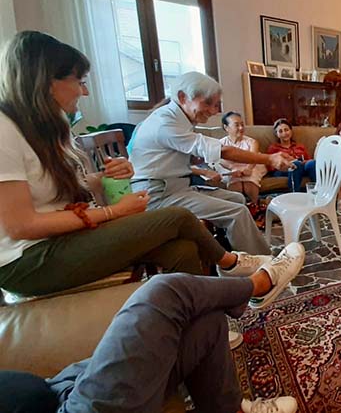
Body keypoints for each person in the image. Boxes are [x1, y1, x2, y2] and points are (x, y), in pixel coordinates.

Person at [0, 31, 278, 298]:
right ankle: (239, 267)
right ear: (47, 81)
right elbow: (22, 226)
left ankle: (202, 317)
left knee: (183, 250)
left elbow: (61, 192)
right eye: (79, 81)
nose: (84, 91)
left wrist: (105, 178)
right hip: (31, 258)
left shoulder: (51, 128)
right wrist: (112, 212)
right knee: (180, 217)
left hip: (73, 232)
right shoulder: (5, 129)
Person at [0, 243, 306, 413]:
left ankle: (230, 410)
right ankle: (257, 284)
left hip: (57, 386)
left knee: (208, 320)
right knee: (164, 290)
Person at [128, 71, 294, 256]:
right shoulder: (165, 123)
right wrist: (269, 158)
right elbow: (224, 151)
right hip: (158, 196)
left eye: (215, 105)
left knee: (237, 199)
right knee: (237, 212)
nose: (214, 111)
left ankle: (231, 255)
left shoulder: (179, 119)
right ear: (182, 97)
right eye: (207, 103)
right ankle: (265, 263)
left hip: (176, 188)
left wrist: (200, 165)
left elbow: (172, 160)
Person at [217, 111, 267, 204]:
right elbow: (219, 160)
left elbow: (254, 158)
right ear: (226, 127)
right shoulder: (220, 144)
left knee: (250, 182)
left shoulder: (252, 142)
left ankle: (254, 206)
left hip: (252, 165)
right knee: (235, 184)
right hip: (231, 168)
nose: (241, 128)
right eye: (237, 125)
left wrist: (248, 169)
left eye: (242, 124)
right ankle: (237, 207)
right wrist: (232, 169)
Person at [266, 118, 316, 192]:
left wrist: (304, 162)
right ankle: (294, 194)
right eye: (280, 131)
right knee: (296, 164)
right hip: (282, 170)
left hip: (301, 167)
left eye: (286, 130)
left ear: (291, 131)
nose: (284, 133)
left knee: (312, 163)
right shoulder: (273, 148)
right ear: (277, 134)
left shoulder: (300, 146)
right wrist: (287, 163)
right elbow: (270, 166)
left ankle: (319, 192)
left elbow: (308, 160)